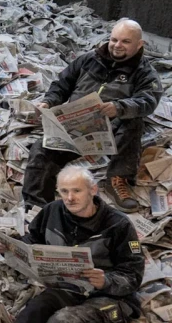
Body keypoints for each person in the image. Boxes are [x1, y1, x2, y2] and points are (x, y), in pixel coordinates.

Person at [21, 19, 162, 211]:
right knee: (40, 148)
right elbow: (62, 84)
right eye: (114, 39)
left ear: (139, 45)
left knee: (134, 121)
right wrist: (49, 101)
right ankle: (37, 207)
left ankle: (118, 180)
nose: (117, 45)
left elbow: (148, 101)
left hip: (114, 132)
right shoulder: (88, 60)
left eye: (125, 42)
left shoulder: (145, 73)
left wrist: (119, 107)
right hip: (76, 126)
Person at [2, 165, 143, 323]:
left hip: (111, 299)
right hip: (68, 289)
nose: (69, 198)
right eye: (64, 191)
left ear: (93, 190)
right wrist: (14, 247)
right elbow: (33, 240)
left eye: (76, 191)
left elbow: (133, 276)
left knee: (64, 322)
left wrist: (105, 280)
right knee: (34, 311)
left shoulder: (119, 225)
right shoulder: (52, 211)